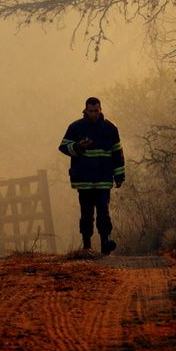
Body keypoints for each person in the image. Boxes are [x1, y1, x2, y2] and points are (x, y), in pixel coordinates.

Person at [58, 97, 125, 254]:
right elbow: (63, 147)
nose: (94, 114)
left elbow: (118, 153)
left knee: (103, 211)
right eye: (91, 111)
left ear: (100, 110)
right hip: (84, 180)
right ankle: (87, 246)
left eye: (96, 111)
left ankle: (105, 243)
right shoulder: (75, 128)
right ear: (85, 111)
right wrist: (78, 146)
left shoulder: (110, 128)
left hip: (103, 179)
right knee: (86, 213)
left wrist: (119, 175)